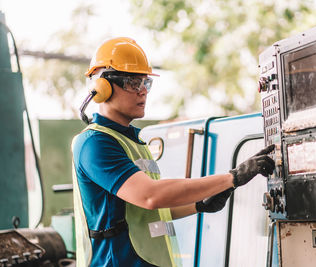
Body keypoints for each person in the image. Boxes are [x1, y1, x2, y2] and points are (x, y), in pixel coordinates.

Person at [72, 37, 275, 267]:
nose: (142, 92)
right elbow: (151, 196)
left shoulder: (134, 141)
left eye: (145, 83)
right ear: (102, 87)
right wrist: (232, 177)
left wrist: (199, 205)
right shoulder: (95, 143)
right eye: (132, 82)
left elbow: (145, 215)